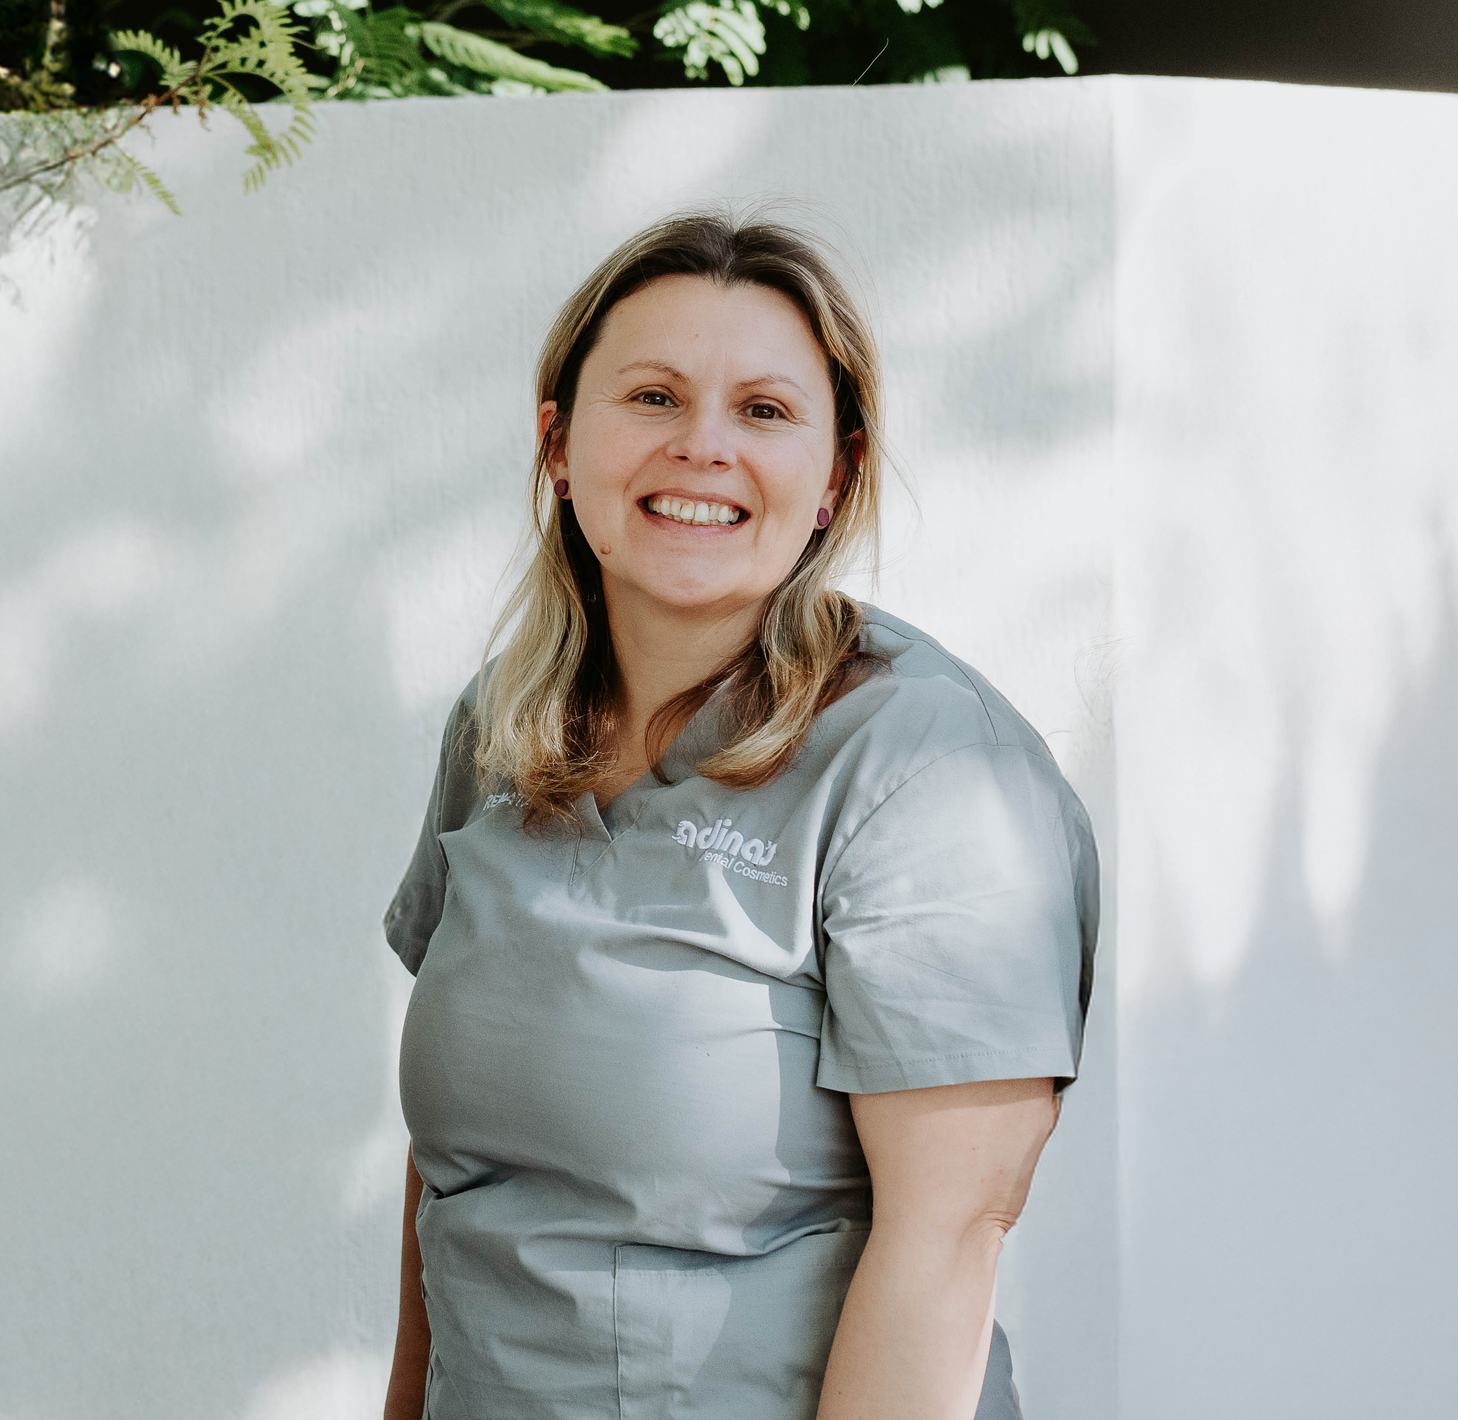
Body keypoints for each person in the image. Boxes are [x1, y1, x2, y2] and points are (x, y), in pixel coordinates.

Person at [380, 212, 1098, 1420]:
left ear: (836, 476)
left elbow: (951, 1236)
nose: (702, 446)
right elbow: (450, 1179)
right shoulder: (504, 725)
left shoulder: (929, 768)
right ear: (559, 443)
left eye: (764, 411)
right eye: (652, 396)